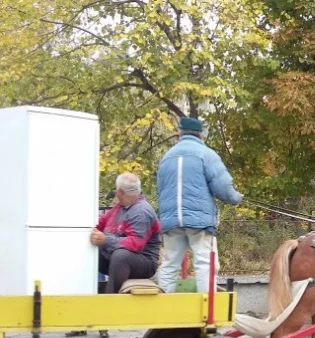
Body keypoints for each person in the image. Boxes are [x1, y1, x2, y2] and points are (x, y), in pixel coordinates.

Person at [66, 172, 161, 338]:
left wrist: (105, 240)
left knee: (120, 256)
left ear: (121, 192)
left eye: (117, 191)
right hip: (119, 254)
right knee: (90, 253)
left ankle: (106, 316)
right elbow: (101, 223)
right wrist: (86, 230)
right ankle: (82, 315)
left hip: (143, 262)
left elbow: (135, 244)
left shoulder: (141, 212)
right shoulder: (120, 207)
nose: (116, 193)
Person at [156, 116, 243, 294]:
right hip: (199, 221)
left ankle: (164, 308)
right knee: (205, 263)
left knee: (170, 263)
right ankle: (205, 308)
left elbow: (161, 189)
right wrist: (236, 198)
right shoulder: (207, 155)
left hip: (171, 221)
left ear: (180, 133)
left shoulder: (166, 158)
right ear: (200, 134)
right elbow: (223, 187)